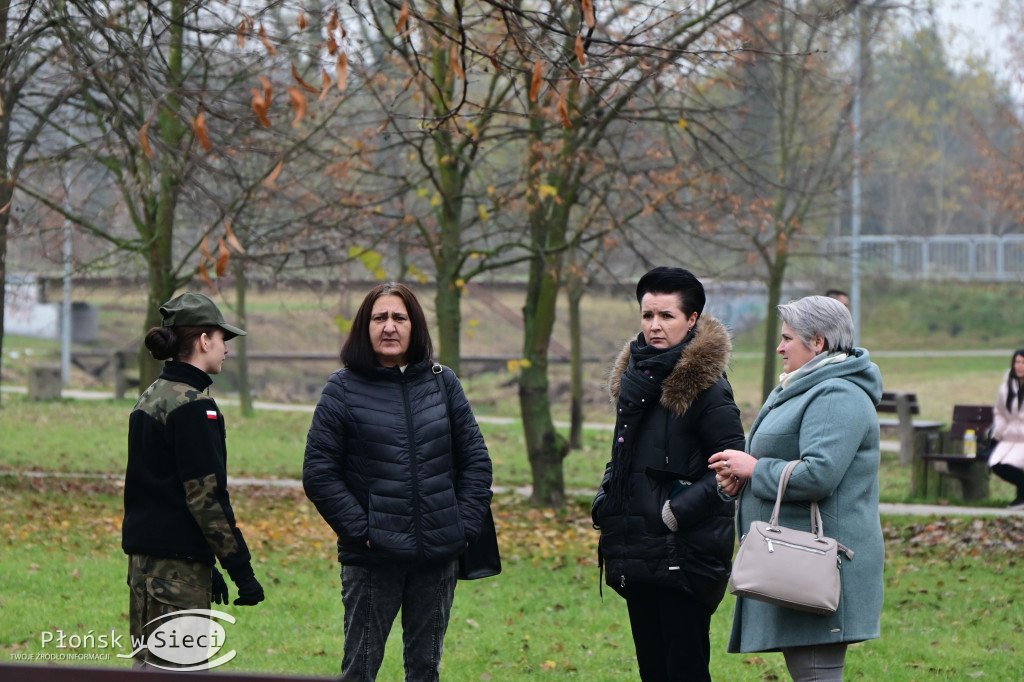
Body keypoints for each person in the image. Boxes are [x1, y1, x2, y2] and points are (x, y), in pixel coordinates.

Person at [303, 282, 493, 682]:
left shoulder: (444, 383)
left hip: (438, 555)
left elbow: (476, 461)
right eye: (379, 318)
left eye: (399, 317)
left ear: (415, 326)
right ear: (364, 327)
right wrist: (363, 531)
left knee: (425, 670)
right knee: (361, 666)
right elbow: (319, 473)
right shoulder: (342, 388)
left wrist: (465, 527)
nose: (389, 327)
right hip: (373, 558)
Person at [710, 295, 884, 682]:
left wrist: (755, 468)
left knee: (817, 675)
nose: (779, 346)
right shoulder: (803, 387)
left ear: (818, 342)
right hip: (796, 561)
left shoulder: (838, 394)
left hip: (822, 565)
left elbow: (819, 474)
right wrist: (740, 482)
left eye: (788, 338)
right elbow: (787, 463)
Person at [591, 267, 746, 682]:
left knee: (684, 671)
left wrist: (673, 513)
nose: (654, 326)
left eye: (667, 316)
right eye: (647, 316)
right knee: (653, 670)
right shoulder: (635, 378)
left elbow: (732, 466)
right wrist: (607, 500)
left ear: (692, 320)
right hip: (635, 548)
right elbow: (624, 455)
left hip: (683, 557)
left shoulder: (707, 388)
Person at [122, 292, 264, 668]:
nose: (226, 349)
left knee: (147, 668)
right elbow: (207, 500)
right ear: (204, 341)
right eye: (222, 339)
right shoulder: (195, 407)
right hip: (176, 579)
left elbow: (161, 492)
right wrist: (241, 572)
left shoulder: (149, 398)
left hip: (144, 572)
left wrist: (206, 563)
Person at [989, 349, 1024, 509]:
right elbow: (999, 411)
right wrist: (1000, 431)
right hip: (1010, 437)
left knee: (1013, 463)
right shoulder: (1006, 388)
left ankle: (1021, 498)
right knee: (996, 464)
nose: (1020, 366)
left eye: (1023, 362)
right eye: (1017, 362)